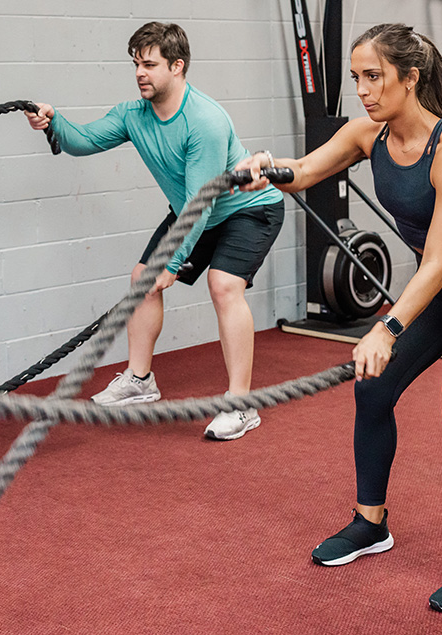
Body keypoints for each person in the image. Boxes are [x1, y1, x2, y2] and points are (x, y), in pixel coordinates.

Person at [235, 23, 442, 613]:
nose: (363, 90)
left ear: (410, 78)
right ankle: (371, 522)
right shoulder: (368, 133)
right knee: (373, 391)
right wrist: (267, 167)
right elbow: (306, 171)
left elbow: (437, 263)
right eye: (356, 78)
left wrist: (386, 326)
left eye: (373, 77)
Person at [25, 21, 284, 441]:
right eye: (135, 64)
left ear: (177, 66)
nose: (140, 73)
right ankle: (140, 381)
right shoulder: (134, 115)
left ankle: (241, 404)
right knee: (141, 281)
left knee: (223, 285)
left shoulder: (205, 121)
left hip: (246, 210)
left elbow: (202, 199)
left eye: (149, 64)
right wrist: (54, 123)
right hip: (195, 211)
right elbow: (84, 141)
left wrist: (175, 261)